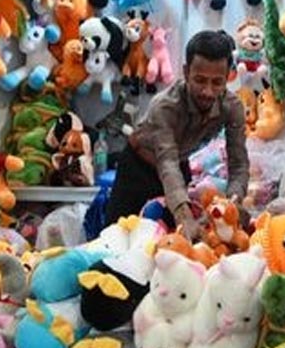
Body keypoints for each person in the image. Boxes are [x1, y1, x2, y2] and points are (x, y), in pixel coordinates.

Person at [105, 29, 250, 239]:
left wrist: (232, 203)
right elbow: (167, 162)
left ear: (228, 77)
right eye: (200, 80)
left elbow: (239, 163)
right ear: (186, 72)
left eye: (217, 82)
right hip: (138, 169)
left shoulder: (232, 106)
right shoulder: (164, 106)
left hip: (179, 166)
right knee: (117, 237)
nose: (208, 91)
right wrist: (183, 215)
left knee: (177, 242)